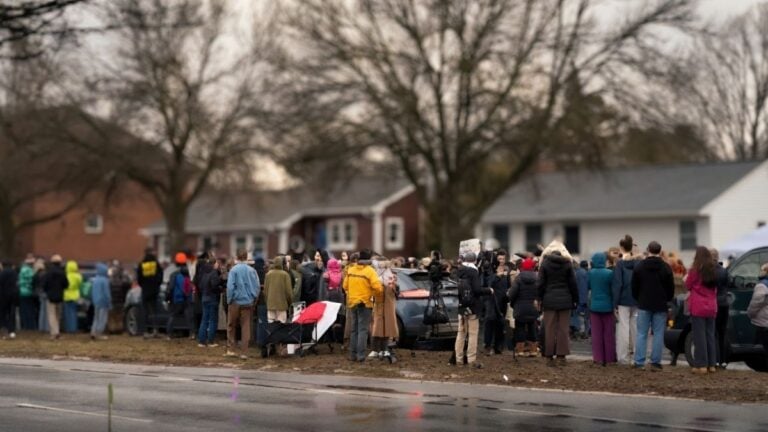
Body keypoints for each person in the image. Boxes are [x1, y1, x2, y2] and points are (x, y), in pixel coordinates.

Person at [632, 241, 675, 371]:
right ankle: (655, 362)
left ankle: (639, 361)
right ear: (660, 251)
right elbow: (670, 288)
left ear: (648, 250)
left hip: (644, 303)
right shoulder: (666, 267)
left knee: (641, 333)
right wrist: (667, 299)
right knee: (658, 334)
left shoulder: (639, 266)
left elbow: (634, 286)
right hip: (660, 304)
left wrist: (638, 298)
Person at [451, 252, 492, 368]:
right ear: (475, 260)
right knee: (473, 334)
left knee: (461, 333)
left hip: (461, 306)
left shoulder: (459, 271)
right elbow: (477, 290)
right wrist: (488, 290)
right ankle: (471, 360)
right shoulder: (473, 271)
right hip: (473, 307)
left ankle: (458, 359)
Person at [538, 248, 578, 367]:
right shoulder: (567, 264)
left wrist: (539, 298)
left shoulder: (545, 264)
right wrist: (575, 299)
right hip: (565, 300)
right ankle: (561, 356)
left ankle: (549, 357)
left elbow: (540, 283)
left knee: (549, 329)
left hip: (549, 299)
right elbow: (573, 283)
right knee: (563, 329)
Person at [343, 249, 382, 363]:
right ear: (369, 259)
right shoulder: (370, 271)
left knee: (354, 330)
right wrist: (373, 294)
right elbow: (378, 288)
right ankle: (360, 356)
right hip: (365, 303)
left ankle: (352, 355)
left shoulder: (351, 269)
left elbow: (345, 286)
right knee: (363, 330)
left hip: (352, 303)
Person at [685, 246, 718, 374]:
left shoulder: (694, 270)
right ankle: (712, 364)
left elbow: (688, 285)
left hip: (698, 306)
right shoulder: (713, 270)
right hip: (711, 306)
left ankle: (701, 364)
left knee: (699, 337)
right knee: (710, 335)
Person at [225, 249, 260, 359]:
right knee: (245, 326)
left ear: (237, 257)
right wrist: (253, 298)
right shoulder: (252, 270)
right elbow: (257, 286)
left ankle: (231, 349)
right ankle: (244, 352)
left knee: (231, 325)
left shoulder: (233, 270)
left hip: (235, 301)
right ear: (246, 257)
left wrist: (229, 300)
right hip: (248, 302)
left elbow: (230, 287)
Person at [612, 235, 641, 365]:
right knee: (636, 328)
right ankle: (637, 356)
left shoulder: (619, 264)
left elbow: (617, 284)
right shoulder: (638, 263)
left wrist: (615, 303)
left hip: (623, 300)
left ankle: (622, 357)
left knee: (623, 328)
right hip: (637, 299)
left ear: (622, 247)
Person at [588, 252, 616, 366]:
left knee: (596, 334)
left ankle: (598, 358)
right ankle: (609, 358)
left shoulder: (591, 273)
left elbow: (588, 286)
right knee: (608, 334)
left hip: (594, 306)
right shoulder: (610, 273)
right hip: (608, 306)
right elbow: (613, 289)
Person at [508, 257, 539, 357]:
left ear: (523, 267)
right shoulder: (537, 278)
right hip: (533, 307)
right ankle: (533, 350)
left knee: (520, 328)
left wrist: (513, 303)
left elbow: (512, 294)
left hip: (520, 307)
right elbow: (540, 293)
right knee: (532, 327)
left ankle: (520, 350)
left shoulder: (519, 278)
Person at [264, 256, 293, 356]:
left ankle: (272, 346)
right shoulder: (285, 275)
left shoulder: (268, 274)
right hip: (282, 305)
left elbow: (265, 291)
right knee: (281, 327)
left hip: (270, 305)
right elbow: (289, 292)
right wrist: (289, 302)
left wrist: (267, 302)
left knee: (271, 327)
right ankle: (280, 348)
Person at [371, 259, 398, 361]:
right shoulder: (379, 277)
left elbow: (393, 291)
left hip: (385, 305)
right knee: (378, 327)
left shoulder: (390, 277)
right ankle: (378, 350)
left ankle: (384, 349)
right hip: (380, 305)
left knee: (385, 327)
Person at [485, 250, 510, 355]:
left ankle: (498, 346)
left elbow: (509, 284)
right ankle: (488, 345)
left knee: (501, 323)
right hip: (492, 300)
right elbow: (488, 283)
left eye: (503, 259)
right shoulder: (491, 270)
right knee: (490, 322)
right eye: (499, 259)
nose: (501, 261)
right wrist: (497, 276)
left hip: (503, 300)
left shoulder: (507, 270)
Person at [165, 253, 194, 340]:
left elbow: (171, 288)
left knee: (172, 316)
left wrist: (168, 298)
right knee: (189, 317)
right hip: (187, 298)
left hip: (177, 299)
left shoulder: (174, 274)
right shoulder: (189, 273)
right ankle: (192, 334)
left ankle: (169, 334)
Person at [197, 258, 224, 347]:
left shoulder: (203, 272)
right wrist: (220, 289)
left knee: (204, 320)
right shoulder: (214, 273)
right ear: (214, 264)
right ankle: (210, 341)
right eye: (217, 263)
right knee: (213, 320)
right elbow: (215, 285)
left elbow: (200, 285)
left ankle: (201, 341)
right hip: (212, 298)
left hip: (204, 297)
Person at [137, 248, 163, 338]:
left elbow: (139, 278)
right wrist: (157, 284)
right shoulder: (156, 263)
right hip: (154, 290)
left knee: (145, 311)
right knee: (155, 311)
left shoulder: (142, 264)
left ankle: (145, 331)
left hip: (145, 290)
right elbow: (161, 275)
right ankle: (155, 330)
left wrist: (143, 285)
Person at [711, 248, 730, 369]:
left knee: (713, 333)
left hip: (713, 303)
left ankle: (715, 360)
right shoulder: (724, 271)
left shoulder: (709, 271)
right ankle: (723, 360)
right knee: (722, 332)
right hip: (724, 303)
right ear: (717, 257)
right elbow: (728, 284)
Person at [746, 263, 768, 366]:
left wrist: (750, 313)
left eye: (762, 270)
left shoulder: (762, 286)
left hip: (764, 321)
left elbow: (756, 303)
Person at [43, 255, 68, 340]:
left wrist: (47, 291)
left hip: (50, 296)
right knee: (58, 315)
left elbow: (44, 284)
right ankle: (57, 332)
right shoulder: (62, 273)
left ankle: (54, 332)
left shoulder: (48, 273)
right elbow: (66, 284)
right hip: (60, 296)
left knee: (51, 315)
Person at [90, 263, 111, 340]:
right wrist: (109, 302)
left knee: (96, 318)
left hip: (96, 301)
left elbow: (92, 292)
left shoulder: (95, 280)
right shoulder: (105, 280)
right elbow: (106, 293)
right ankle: (99, 333)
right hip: (103, 302)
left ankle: (93, 332)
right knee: (102, 318)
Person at [252, 255, 268, 354]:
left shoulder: (253, 273)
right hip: (263, 300)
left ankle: (255, 339)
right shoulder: (266, 274)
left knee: (254, 320)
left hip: (253, 300)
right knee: (262, 320)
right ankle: (261, 340)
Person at [18, 254, 37, 330]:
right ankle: (30, 326)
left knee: (24, 310)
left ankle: (25, 325)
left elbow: (20, 281)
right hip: (29, 292)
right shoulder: (31, 271)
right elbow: (32, 280)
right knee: (30, 310)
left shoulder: (22, 270)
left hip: (22, 292)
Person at [0, 262, 19, 339]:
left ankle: (4, 329)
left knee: (3, 313)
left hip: (3, 295)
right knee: (12, 313)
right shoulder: (14, 273)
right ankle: (12, 331)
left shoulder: (2, 273)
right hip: (13, 295)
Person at [573, 260, 590, 340]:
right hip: (587, 298)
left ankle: (578, 332)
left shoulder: (576, 273)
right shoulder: (587, 273)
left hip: (578, 298)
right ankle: (585, 333)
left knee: (577, 316)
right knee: (586, 317)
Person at [63, 260, 82, 333]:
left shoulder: (65, 276)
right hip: (75, 295)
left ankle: (68, 328)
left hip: (66, 295)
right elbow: (80, 285)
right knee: (74, 313)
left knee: (67, 314)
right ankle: (73, 328)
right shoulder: (78, 276)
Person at [33, 258, 48, 332]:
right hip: (44, 293)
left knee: (39, 310)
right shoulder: (45, 275)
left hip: (37, 293)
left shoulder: (35, 275)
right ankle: (45, 327)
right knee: (45, 311)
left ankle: (40, 326)